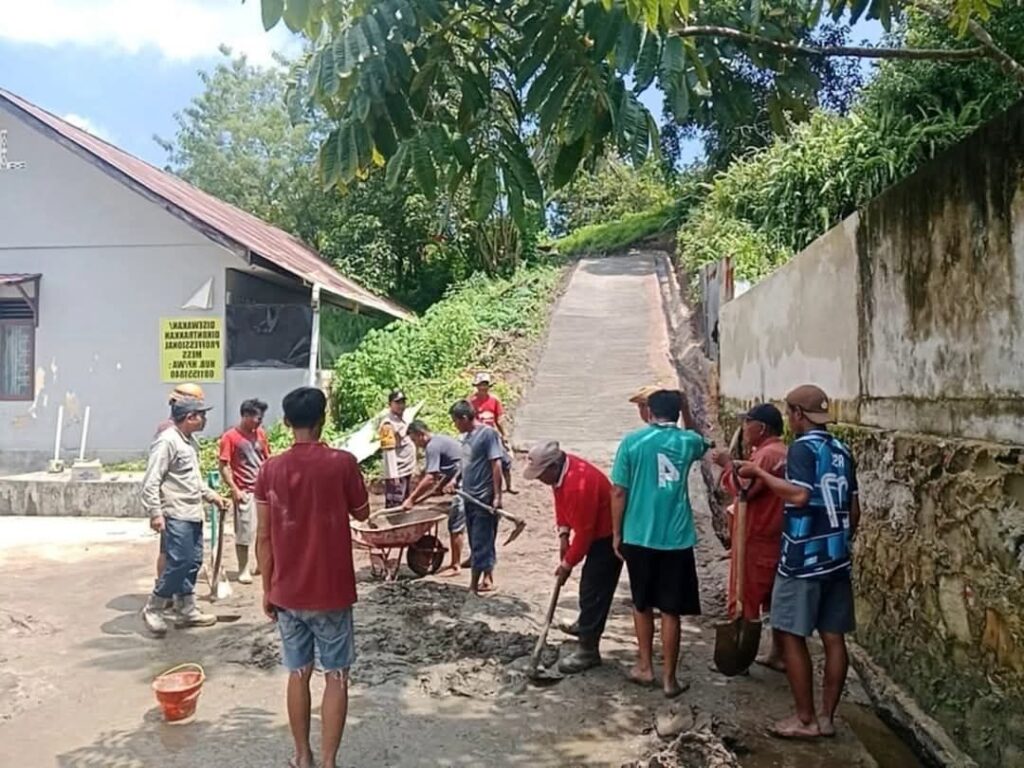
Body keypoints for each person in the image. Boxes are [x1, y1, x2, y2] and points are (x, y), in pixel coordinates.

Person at [255, 386, 370, 768]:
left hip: (287, 592)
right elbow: (363, 514)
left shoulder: (270, 469)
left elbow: (264, 536)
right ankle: (328, 762)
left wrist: (266, 588)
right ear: (324, 419)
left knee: (298, 673)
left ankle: (301, 757)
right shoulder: (343, 463)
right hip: (333, 592)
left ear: (286, 423)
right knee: (336, 676)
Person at [736, 384, 860, 740]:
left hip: (803, 557)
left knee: (790, 632)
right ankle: (827, 718)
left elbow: (801, 494)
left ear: (798, 415)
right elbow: (855, 511)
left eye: (790, 412)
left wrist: (760, 474)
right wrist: (838, 542)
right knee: (834, 638)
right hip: (837, 558)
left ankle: (804, 719)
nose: (789, 419)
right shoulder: (842, 449)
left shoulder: (803, 448)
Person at [611, 389, 708, 698]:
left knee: (641, 604)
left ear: (649, 412)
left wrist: (616, 533)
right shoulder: (687, 442)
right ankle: (670, 679)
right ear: (677, 413)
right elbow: (698, 437)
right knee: (670, 610)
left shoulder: (632, 442)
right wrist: (687, 411)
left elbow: (618, 492)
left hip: (638, 535)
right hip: (676, 537)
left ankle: (644, 666)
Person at [524, 440, 622, 674]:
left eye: (540, 474)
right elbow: (559, 499)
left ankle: (589, 650)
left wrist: (567, 565)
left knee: (594, 590)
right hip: (593, 531)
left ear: (554, 466)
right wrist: (563, 533)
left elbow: (586, 535)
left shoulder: (579, 484)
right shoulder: (561, 473)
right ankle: (584, 626)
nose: (539, 479)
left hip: (608, 536)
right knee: (588, 588)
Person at [140, 395, 227, 636]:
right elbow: (152, 479)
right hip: (175, 512)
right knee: (178, 563)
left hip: (192, 512)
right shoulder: (167, 442)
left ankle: (187, 607)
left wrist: (211, 495)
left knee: (193, 561)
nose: (205, 420)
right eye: (202, 415)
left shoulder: (188, 442)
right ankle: (154, 607)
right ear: (189, 417)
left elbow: (192, 480)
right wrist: (155, 512)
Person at [713, 403, 787, 672]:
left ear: (762, 427)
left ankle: (738, 655)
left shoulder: (766, 457)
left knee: (744, 598)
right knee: (775, 600)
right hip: (777, 535)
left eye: (747, 423)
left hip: (755, 537)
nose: (744, 429)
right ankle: (777, 653)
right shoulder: (782, 453)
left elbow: (745, 489)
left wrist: (726, 466)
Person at [152, 382, 206, 582]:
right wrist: (156, 511)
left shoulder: (185, 435)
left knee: (175, 552)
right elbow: (156, 474)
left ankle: (175, 595)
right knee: (172, 553)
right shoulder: (169, 433)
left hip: (186, 505)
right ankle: (164, 594)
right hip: (174, 506)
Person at [450, 400, 504, 595]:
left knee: (481, 539)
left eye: (455, 421)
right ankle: (487, 578)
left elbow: (496, 463)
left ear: (465, 418)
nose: (455, 425)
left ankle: (473, 585)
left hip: (484, 498)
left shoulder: (487, 434)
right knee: (478, 539)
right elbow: (465, 464)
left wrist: (497, 495)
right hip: (469, 497)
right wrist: (455, 480)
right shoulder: (466, 438)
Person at [218, 398, 270, 584]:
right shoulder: (230, 437)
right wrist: (234, 489)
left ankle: (261, 565)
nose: (260, 421)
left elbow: (266, 458)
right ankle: (243, 568)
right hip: (245, 491)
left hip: (263, 490)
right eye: (257, 418)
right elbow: (224, 466)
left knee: (264, 531)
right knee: (245, 532)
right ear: (246, 416)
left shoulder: (261, 434)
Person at [404, 420, 465, 575]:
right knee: (472, 521)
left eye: (414, 440)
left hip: (467, 481)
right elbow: (453, 467)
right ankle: (475, 559)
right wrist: (440, 486)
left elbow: (431, 476)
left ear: (421, 435)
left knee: (455, 524)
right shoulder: (440, 440)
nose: (416, 445)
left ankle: (455, 566)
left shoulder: (432, 446)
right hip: (466, 475)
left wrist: (411, 499)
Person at [469, 372, 516, 494]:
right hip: (477, 436)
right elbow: (468, 420)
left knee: (504, 461)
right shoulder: (471, 401)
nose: (483, 388)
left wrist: (504, 436)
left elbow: (499, 420)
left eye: (485, 385)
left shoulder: (494, 400)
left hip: (492, 435)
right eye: (481, 385)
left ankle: (509, 486)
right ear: (477, 386)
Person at [379, 389, 416, 508]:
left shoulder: (403, 419)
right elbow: (388, 452)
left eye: (403, 402)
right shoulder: (388, 424)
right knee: (395, 506)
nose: (401, 406)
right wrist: (393, 476)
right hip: (397, 473)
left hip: (406, 470)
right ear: (390, 405)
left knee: (405, 505)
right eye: (397, 403)